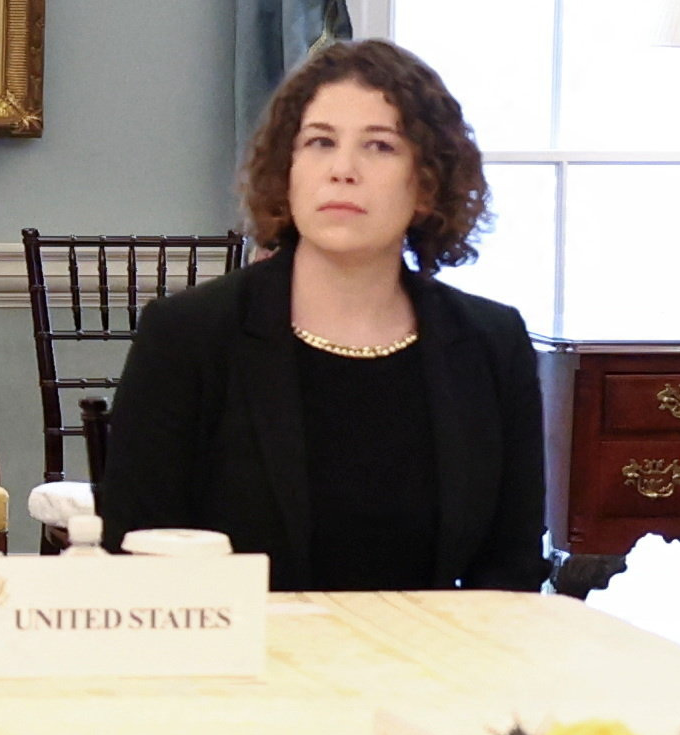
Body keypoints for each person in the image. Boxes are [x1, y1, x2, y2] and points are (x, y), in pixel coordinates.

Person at [87, 39, 548, 589]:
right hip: (240, 665)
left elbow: (511, 570)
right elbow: (136, 557)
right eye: (320, 142)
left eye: (379, 146)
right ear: (288, 171)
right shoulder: (187, 336)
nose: (343, 170)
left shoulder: (493, 343)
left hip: (434, 663)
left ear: (427, 185)